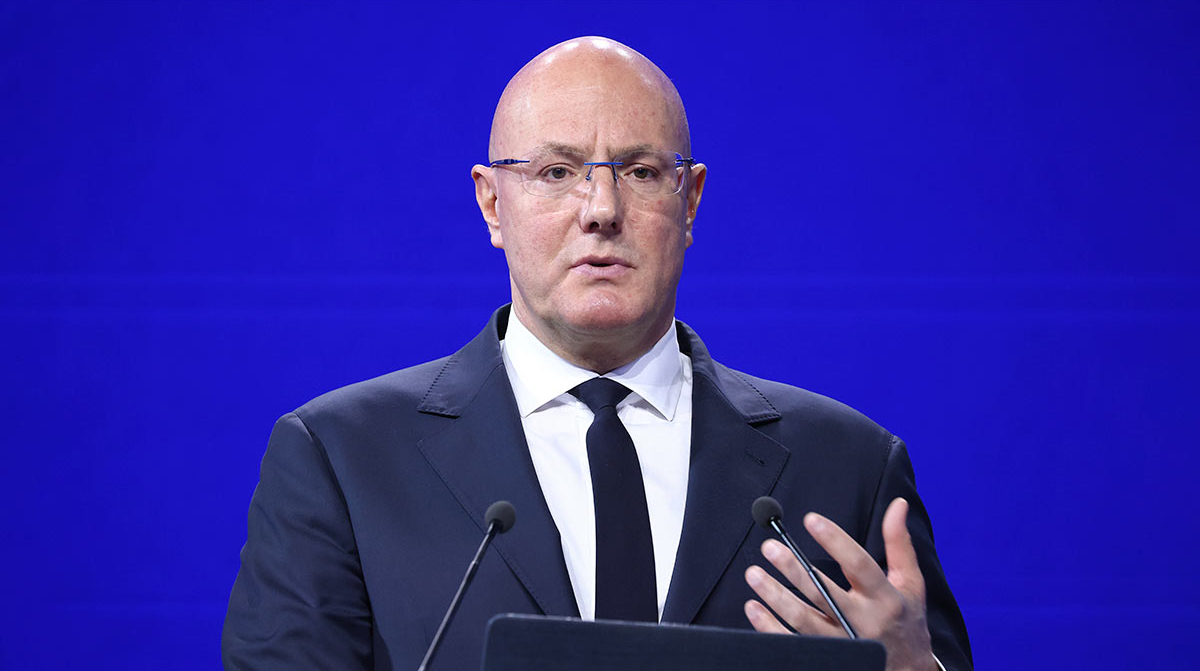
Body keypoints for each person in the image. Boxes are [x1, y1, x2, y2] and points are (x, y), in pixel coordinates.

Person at [223, 36, 972, 671]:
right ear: (492, 203)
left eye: (640, 172)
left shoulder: (849, 465)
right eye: (557, 172)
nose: (602, 211)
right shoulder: (342, 458)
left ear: (690, 201)